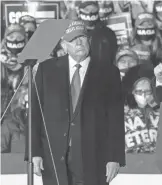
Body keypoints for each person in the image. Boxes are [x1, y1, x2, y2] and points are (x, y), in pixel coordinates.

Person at [25, 20, 125, 185]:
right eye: (72, 39)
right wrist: (34, 152)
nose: (78, 42)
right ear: (64, 46)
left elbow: (115, 118)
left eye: (82, 38)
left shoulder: (108, 72)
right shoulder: (46, 70)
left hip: (94, 159)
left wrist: (114, 157)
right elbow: (35, 114)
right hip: (54, 159)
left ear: (89, 41)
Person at [122, 64, 159, 153]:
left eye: (147, 91)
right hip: (130, 161)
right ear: (132, 91)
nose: (143, 95)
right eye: (139, 91)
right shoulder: (121, 113)